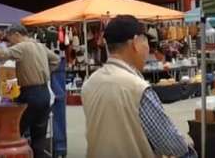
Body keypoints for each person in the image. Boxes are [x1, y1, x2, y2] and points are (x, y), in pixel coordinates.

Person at [81, 15, 196, 158]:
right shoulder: (137, 88)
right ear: (135, 43)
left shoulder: (90, 82)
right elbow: (172, 144)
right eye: (146, 41)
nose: (147, 48)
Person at [0, 25, 59, 157]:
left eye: (10, 38)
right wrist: (44, 73)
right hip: (44, 93)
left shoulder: (22, 47)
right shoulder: (39, 46)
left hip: (30, 94)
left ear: (16, 34)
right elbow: (55, 60)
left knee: (12, 133)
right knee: (39, 138)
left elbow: (3, 53)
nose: (10, 42)